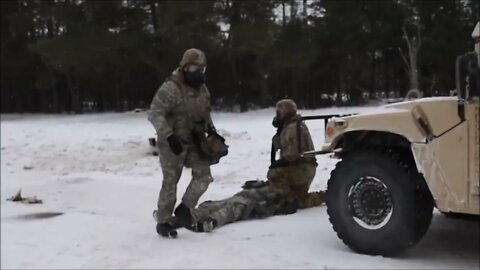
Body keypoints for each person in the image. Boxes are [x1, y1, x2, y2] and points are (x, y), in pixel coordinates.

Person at [173, 99, 325, 233]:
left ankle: (211, 220)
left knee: (240, 204)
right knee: (235, 199)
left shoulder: (292, 128)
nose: (276, 116)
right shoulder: (292, 127)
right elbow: (310, 197)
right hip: (280, 186)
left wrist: (278, 170)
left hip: (279, 192)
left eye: (279, 113)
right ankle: (191, 216)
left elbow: (291, 156)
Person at [148, 48, 225, 238]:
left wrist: (212, 130)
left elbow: (205, 112)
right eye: (193, 68)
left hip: (194, 140)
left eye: (201, 69)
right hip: (172, 142)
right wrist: (168, 136)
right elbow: (155, 114)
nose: (197, 72)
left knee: (204, 176)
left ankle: (184, 208)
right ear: (184, 68)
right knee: (171, 181)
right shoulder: (171, 88)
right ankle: (164, 220)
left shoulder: (203, 89)